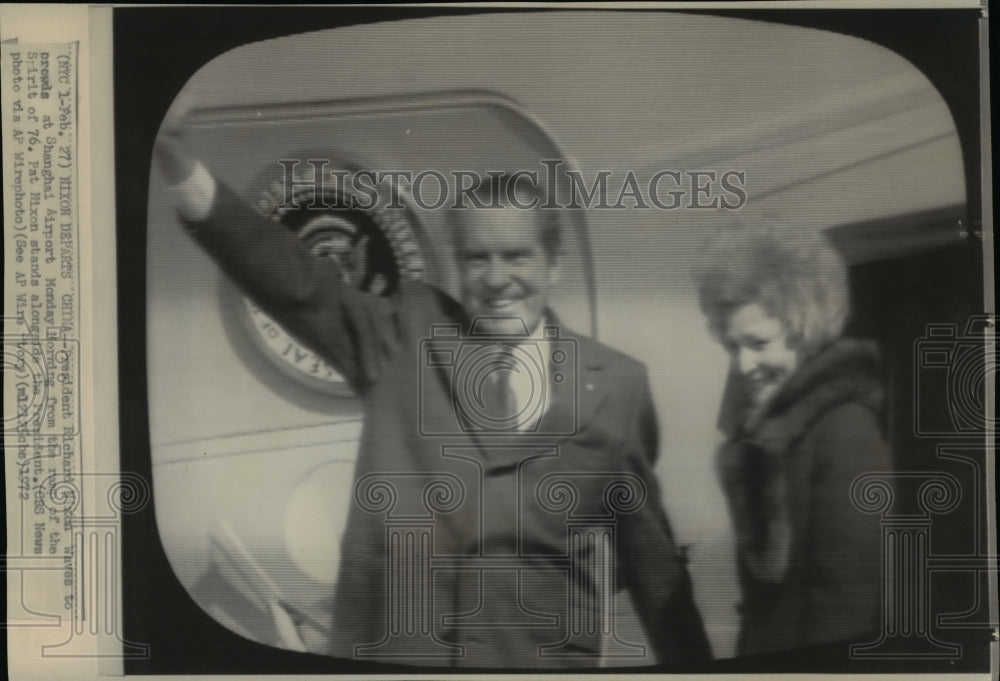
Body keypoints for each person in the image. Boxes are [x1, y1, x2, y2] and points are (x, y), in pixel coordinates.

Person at [156, 135, 711, 668]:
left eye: (516, 256)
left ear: (554, 263)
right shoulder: (403, 336)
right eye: (477, 258)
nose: (496, 279)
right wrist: (179, 163)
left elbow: (654, 565)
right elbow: (296, 283)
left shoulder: (616, 384)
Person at [693, 222, 889, 657]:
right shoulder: (770, 435)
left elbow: (846, 608)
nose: (744, 365)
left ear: (805, 328)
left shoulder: (845, 430)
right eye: (732, 346)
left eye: (759, 343)